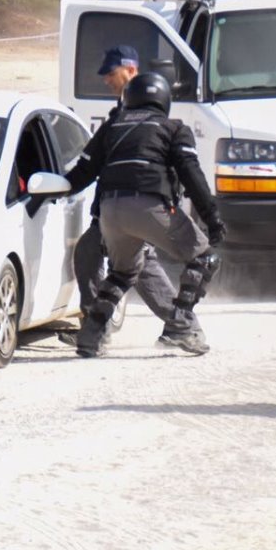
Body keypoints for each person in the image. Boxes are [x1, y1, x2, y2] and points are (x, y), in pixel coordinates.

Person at [61, 71, 225, 357]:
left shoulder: (112, 126)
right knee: (205, 258)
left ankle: (91, 336)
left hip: (109, 213)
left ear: (129, 98)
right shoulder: (173, 128)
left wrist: (50, 190)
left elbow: (82, 173)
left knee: (122, 273)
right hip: (151, 206)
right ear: (164, 100)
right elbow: (191, 173)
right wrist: (212, 218)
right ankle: (180, 326)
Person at [56, 45, 181, 347]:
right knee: (94, 254)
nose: (106, 80)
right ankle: (98, 328)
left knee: (137, 264)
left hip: (136, 202)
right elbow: (94, 163)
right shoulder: (121, 111)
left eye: (111, 73)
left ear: (131, 70)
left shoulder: (143, 112)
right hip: (117, 204)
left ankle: (180, 325)